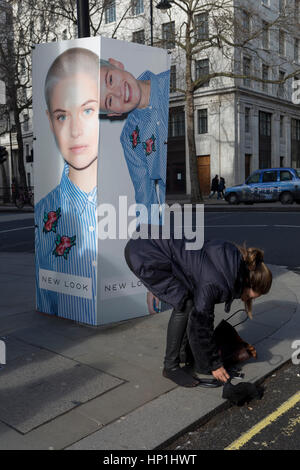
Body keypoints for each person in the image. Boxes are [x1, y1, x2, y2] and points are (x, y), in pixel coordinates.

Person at [124, 236, 272, 387]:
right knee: (185, 304)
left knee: (190, 300)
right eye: (248, 296)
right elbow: (201, 323)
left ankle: (183, 355)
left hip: (149, 244)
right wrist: (214, 364)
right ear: (247, 282)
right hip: (144, 255)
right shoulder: (216, 281)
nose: (245, 299)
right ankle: (170, 367)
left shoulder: (232, 262)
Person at [35, 47, 99, 324]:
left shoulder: (136, 196)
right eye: (62, 116)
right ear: (50, 121)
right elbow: (45, 293)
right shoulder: (43, 213)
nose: (75, 131)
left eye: (87, 110)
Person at [99, 58, 170, 223]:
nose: (118, 93)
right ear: (114, 113)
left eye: (110, 80)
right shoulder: (129, 138)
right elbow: (145, 199)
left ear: (116, 64)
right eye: (109, 100)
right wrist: (150, 244)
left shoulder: (171, 81)